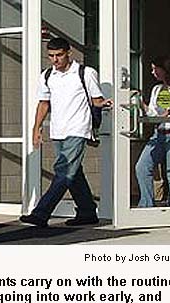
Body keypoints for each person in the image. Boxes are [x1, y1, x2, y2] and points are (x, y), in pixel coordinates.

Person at [19, 37, 112, 227]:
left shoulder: (85, 73)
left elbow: (96, 100)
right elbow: (43, 103)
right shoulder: (46, 75)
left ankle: (41, 213)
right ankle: (87, 212)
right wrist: (36, 128)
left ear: (69, 53)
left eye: (59, 55)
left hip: (78, 128)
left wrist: (108, 103)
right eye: (51, 56)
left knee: (63, 171)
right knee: (73, 172)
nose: (55, 60)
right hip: (58, 130)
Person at [135, 56, 170, 207]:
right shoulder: (157, 89)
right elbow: (153, 114)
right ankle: (146, 205)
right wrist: (141, 104)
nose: (153, 72)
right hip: (159, 134)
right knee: (142, 167)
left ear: (165, 69)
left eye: (155, 68)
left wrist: (167, 112)